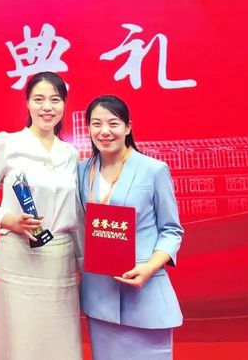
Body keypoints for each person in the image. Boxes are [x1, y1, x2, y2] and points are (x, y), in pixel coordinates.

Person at [0, 72, 82, 360]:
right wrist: (8, 219)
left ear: (64, 104)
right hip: (18, 256)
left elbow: (77, 213)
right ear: (27, 103)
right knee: (19, 341)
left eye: (55, 100)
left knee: (59, 341)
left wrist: (85, 262)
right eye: (39, 99)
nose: (47, 107)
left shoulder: (71, 154)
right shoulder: (8, 143)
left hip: (60, 260)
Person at [77, 95, 184, 360]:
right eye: (96, 124)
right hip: (100, 297)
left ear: (128, 127)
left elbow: (171, 230)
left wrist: (149, 267)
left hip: (144, 295)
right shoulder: (81, 171)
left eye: (113, 123)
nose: (104, 131)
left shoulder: (153, 170)